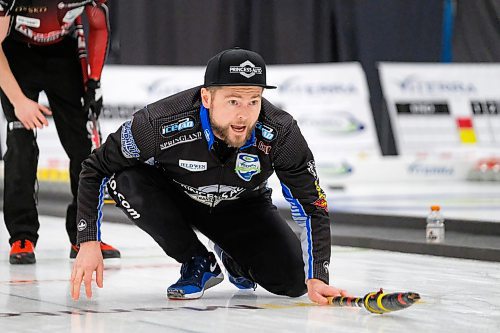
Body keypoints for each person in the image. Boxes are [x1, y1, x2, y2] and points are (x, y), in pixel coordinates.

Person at [70, 47, 347, 304]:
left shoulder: (281, 133)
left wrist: (318, 275)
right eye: (233, 101)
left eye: (254, 101)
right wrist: (89, 241)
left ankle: (234, 259)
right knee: (124, 178)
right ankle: (197, 260)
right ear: (207, 97)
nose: (243, 115)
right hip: (178, 199)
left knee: (295, 282)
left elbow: (313, 206)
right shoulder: (158, 123)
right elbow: (95, 168)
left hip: (242, 207)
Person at [0, 0, 120, 264]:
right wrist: (19, 102)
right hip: (16, 54)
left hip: (65, 53)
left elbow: (99, 28)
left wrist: (94, 81)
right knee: (20, 145)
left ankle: (84, 235)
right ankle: (22, 236)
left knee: (84, 147)